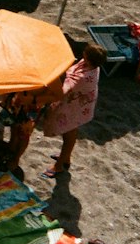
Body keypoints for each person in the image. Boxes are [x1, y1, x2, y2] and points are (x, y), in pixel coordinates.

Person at [41, 43, 106, 177]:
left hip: (75, 105)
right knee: (72, 130)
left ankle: (58, 166)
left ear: (88, 58)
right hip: (80, 103)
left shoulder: (82, 78)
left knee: (68, 132)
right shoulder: (93, 67)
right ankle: (66, 157)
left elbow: (62, 92)